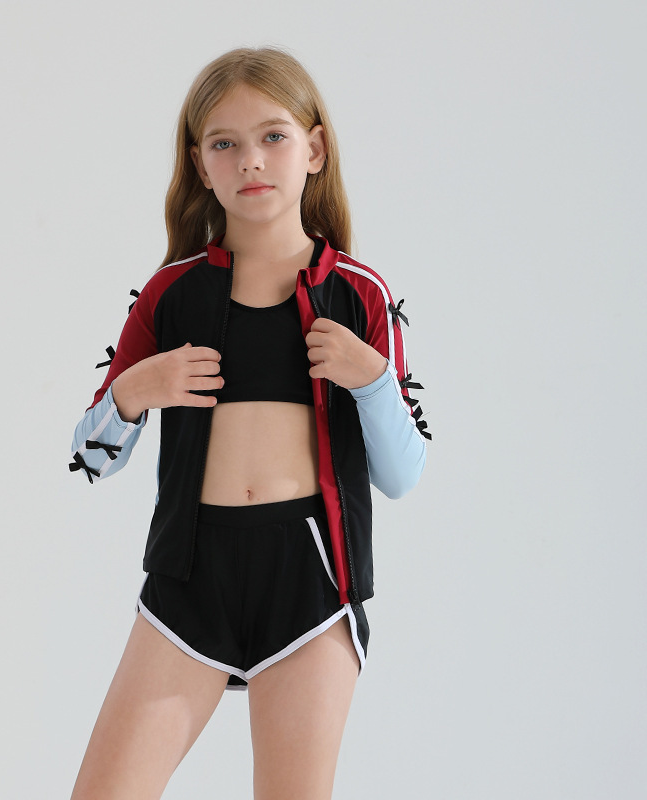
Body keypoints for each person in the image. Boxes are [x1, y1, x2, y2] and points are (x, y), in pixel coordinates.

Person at [68, 46, 430, 800]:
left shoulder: (360, 294)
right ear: (200, 165)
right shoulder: (169, 296)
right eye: (224, 143)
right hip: (188, 578)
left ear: (314, 150)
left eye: (273, 136)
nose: (251, 161)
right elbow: (92, 456)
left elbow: (402, 476)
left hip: (311, 581)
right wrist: (137, 389)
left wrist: (370, 382)